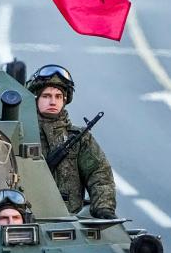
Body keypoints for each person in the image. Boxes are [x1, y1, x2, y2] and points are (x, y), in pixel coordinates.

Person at [26, 64, 116, 218]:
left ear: (65, 100)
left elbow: (99, 174)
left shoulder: (79, 138)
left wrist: (104, 208)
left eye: (58, 96)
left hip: (71, 219)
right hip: (27, 218)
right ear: (35, 98)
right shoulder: (21, 134)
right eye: (46, 96)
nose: (53, 102)